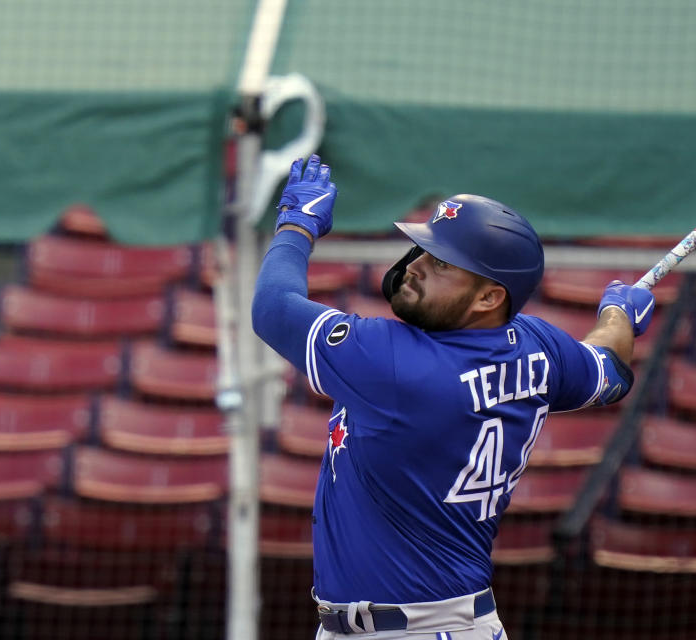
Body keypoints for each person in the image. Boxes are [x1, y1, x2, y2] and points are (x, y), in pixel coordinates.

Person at [252, 154, 655, 639]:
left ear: (489, 298)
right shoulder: (538, 346)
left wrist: (297, 225)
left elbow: (273, 308)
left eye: (442, 263)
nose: (416, 267)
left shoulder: (395, 362)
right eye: (421, 252)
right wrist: (619, 316)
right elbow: (608, 369)